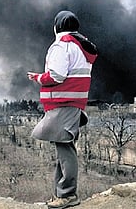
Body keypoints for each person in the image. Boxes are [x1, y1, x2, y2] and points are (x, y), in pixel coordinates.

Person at [27, 10, 98, 209]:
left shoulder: (62, 45)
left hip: (63, 104)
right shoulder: (82, 46)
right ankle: (60, 194)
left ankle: (68, 195)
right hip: (73, 103)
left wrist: (39, 78)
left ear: (58, 26)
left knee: (65, 149)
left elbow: (56, 75)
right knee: (63, 148)